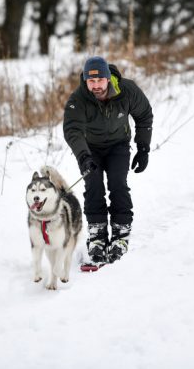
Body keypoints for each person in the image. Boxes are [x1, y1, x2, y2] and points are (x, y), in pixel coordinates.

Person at [63, 56, 153, 268]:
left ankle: (121, 231)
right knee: (93, 185)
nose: (96, 86)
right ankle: (97, 233)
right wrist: (83, 156)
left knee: (117, 183)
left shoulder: (126, 90)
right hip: (90, 149)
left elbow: (144, 115)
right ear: (86, 80)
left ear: (108, 78)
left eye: (100, 80)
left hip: (118, 146)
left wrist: (143, 148)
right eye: (91, 81)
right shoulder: (78, 98)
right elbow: (72, 130)